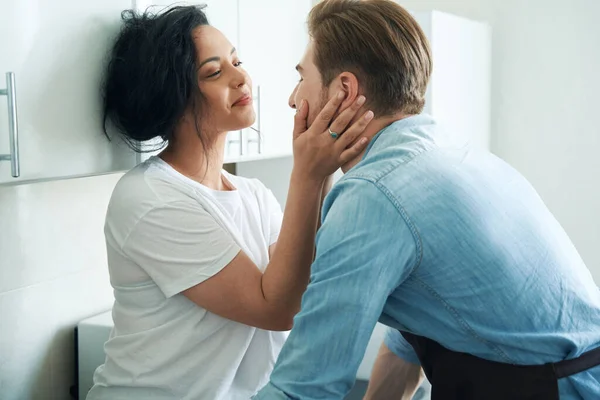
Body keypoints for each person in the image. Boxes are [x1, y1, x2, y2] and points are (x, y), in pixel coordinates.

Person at [253, 0, 600, 399]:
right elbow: (415, 338)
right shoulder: (447, 150)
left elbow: (303, 389)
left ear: (344, 91)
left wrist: (309, 174)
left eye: (301, 78)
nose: (293, 100)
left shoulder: (373, 195)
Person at [85, 5, 373, 400]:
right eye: (215, 72)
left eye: (237, 61)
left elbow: (304, 286)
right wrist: (308, 172)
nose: (242, 78)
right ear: (174, 99)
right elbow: (276, 309)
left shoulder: (252, 194)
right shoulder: (150, 198)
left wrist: (322, 166)